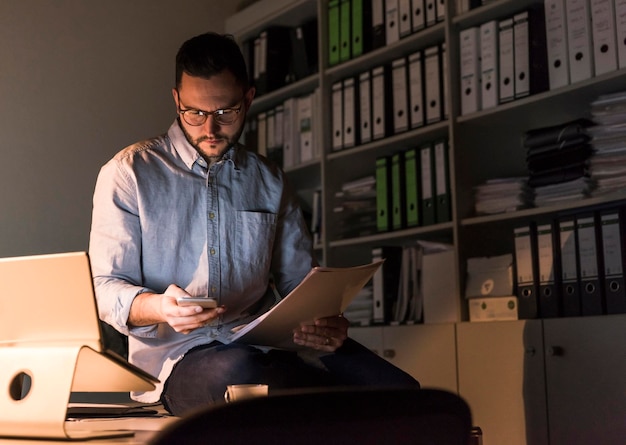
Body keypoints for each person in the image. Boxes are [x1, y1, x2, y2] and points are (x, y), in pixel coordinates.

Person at [89, 32, 419, 416]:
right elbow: (103, 289)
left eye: (226, 113)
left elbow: (301, 286)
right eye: (194, 113)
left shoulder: (270, 181)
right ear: (177, 100)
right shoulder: (129, 174)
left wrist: (325, 323)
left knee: (402, 392)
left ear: (248, 99)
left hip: (272, 347)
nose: (209, 129)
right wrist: (162, 307)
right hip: (179, 360)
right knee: (245, 375)